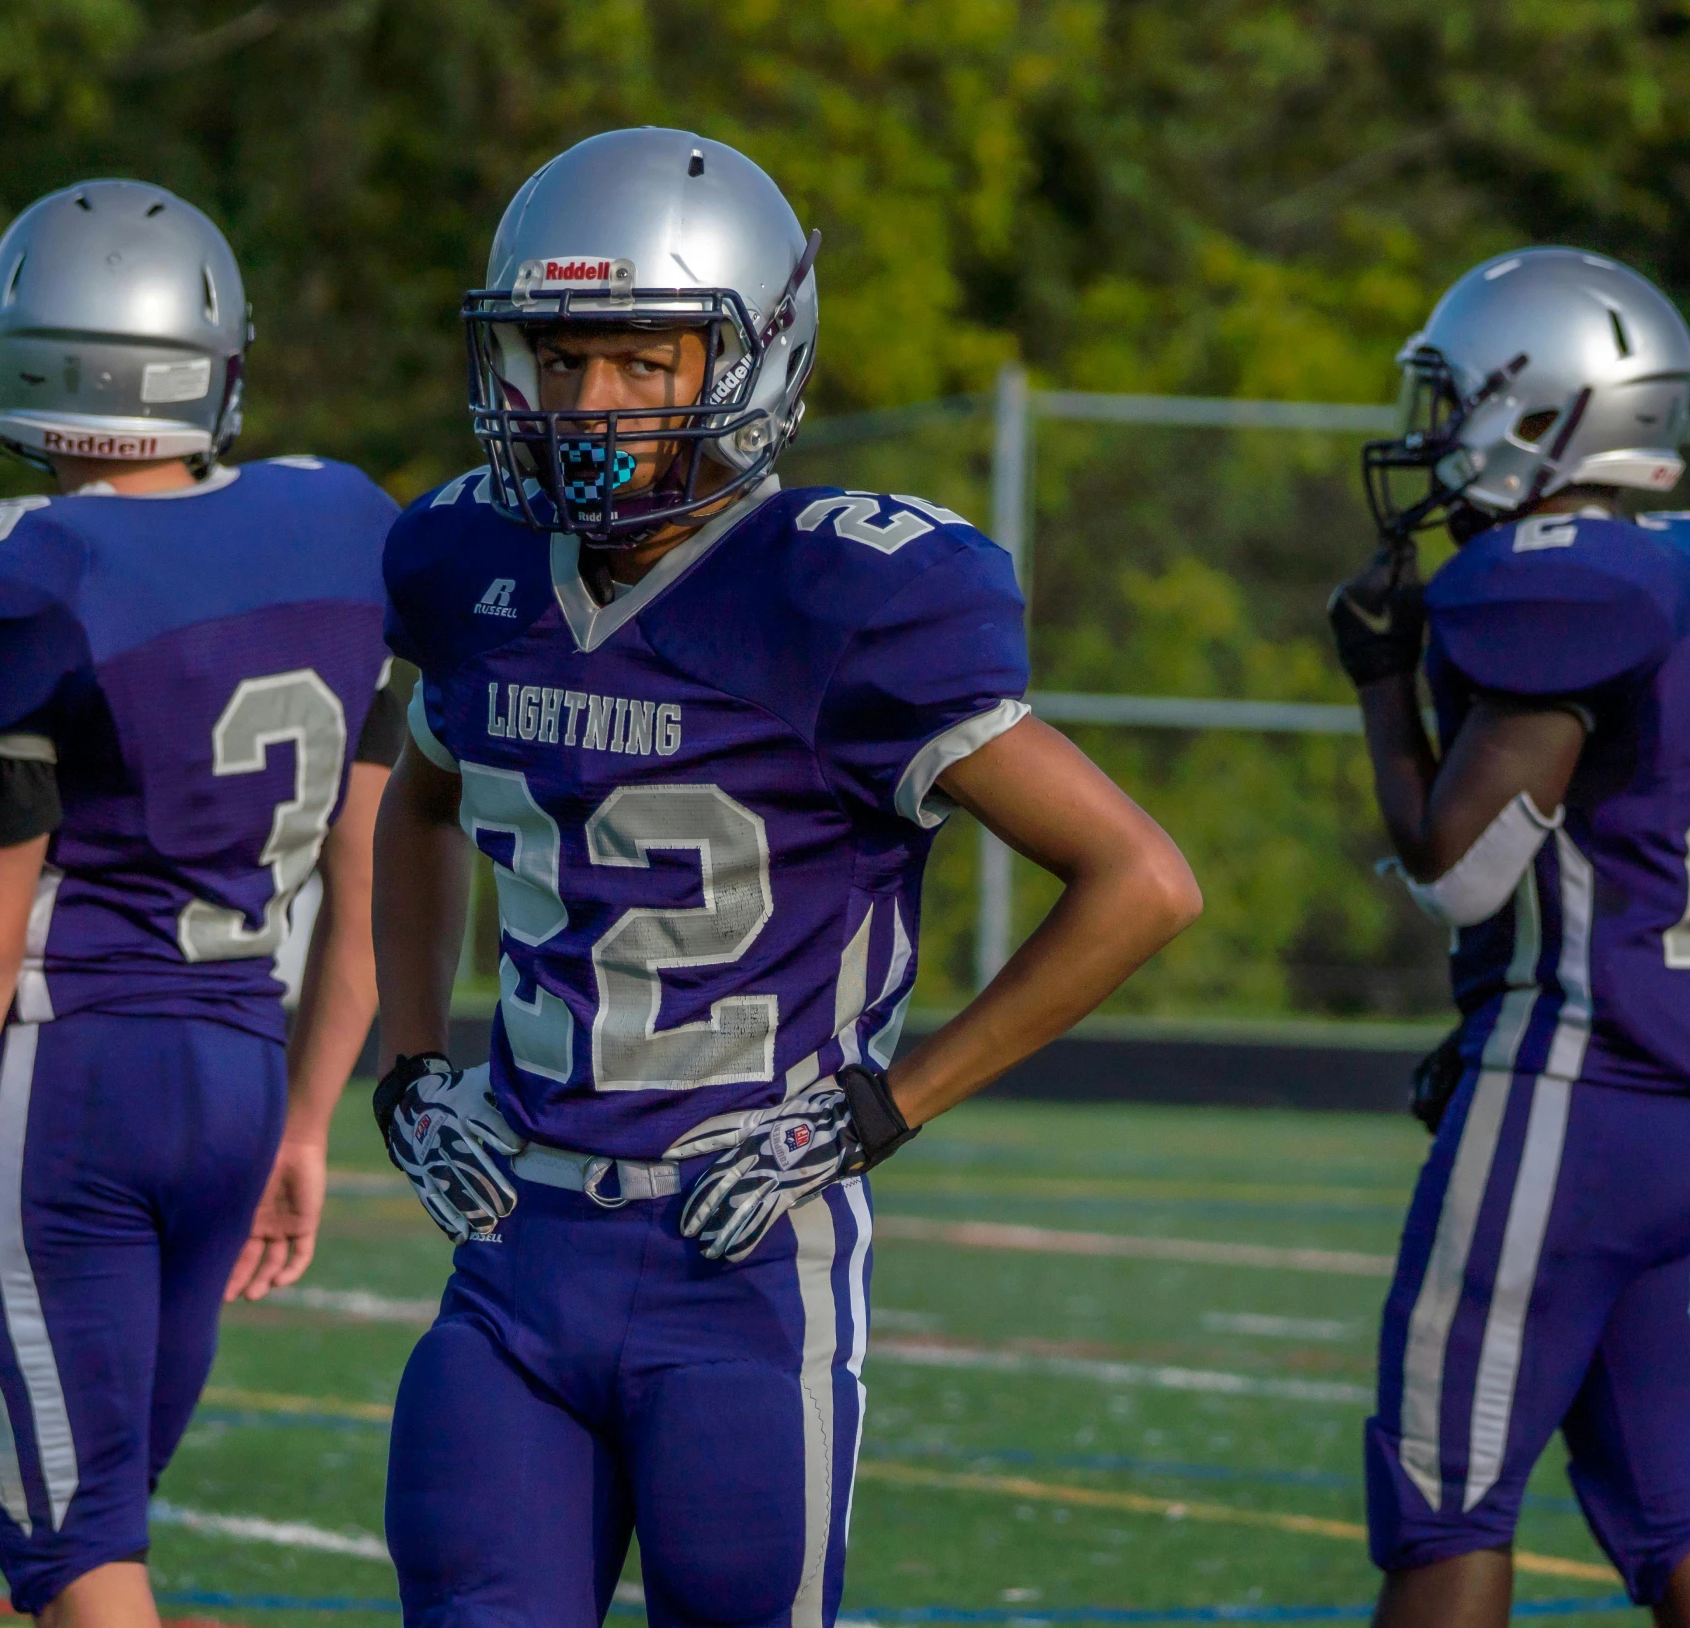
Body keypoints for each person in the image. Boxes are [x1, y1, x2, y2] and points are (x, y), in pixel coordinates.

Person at [371, 126, 1202, 1628]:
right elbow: (415, 801)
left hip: (740, 1249)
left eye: (641, 363)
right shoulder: (470, 569)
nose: (586, 405)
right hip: (517, 1240)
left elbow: (1138, 880)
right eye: (560, 362)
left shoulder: (839, 595)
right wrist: (412, 1063)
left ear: (750, 358)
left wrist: (888, 1104)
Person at [0, 179, 402, 1626]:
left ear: (19, 356)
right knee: (101, 1520)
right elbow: (365, 889)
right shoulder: (339, 527)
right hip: (235, 1078)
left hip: (76, 1078)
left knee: (78, 1546)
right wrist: (305, 1119)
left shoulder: (26, 577)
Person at [1331, 247, 1690, 1628]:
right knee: (1676, 1514)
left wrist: (1378, 683)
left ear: (1540, 417)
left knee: (1443, 1500)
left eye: (1451, 399)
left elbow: (1458, 871)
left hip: (1564, 1097)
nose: (1426, 434)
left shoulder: (1556, 583)